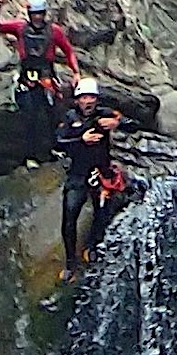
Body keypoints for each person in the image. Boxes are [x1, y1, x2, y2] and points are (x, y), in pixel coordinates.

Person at [0, 0, 79, 165]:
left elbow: (68, 51)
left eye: (40, 14)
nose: (38, 17)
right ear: (30, 14)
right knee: (29, 114)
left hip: (47, 76)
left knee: (53, 112)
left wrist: (75, 72)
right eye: (34, 14)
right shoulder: (20, 28)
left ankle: (55, 148)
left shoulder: (54, 32)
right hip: (27, 76)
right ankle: (29, 155)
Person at [54, 78, 129, 278]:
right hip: (78, 174)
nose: (88, 102)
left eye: (91, 98)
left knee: (102, 213)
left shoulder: (104, 115)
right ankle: (70, 262)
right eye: (84, 98)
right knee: (69, 216)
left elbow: (134, 125)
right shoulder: (70, 118)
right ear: (77, 100)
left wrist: (117, 122)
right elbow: (58, 142)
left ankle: (93, 246)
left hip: (101, 173)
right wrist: (81, 139)